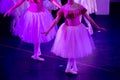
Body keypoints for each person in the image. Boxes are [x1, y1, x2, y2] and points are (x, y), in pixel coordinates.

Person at [43, 0, 106, 74]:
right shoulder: (64, 8)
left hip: (77, 30)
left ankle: (72, 67)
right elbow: (56, 20)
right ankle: (69, 68)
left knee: (73, 48)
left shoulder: (79, 7)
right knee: (71, 48)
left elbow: (89, 18)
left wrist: (97, 27)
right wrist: (48, 30)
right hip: (67, 30)